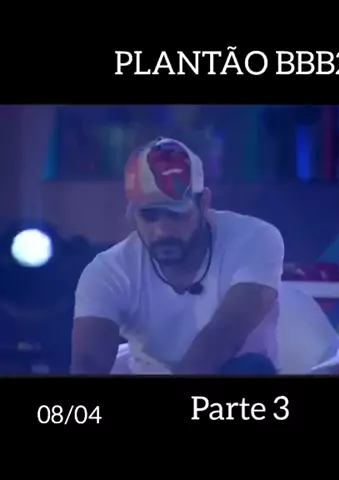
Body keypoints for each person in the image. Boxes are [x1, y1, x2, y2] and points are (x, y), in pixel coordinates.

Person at [71, 137, 284, 375]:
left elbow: (226, 333)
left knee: (251, 368)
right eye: (149, 216)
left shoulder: (253, 238)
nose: (162, 231)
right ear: (131, 213)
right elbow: (88, 363)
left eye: (176, 214)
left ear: (203, 204)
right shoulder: (108, 271)